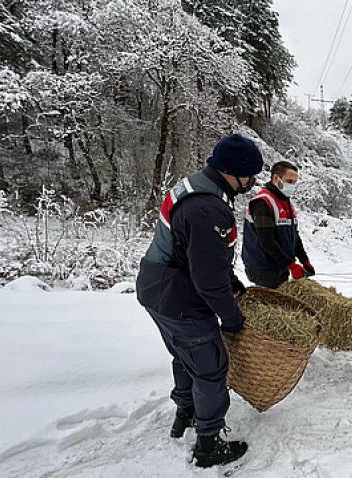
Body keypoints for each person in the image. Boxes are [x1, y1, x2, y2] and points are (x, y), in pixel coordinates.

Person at [136, 133, 262, 468]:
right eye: (249, 176)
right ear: (232, 172)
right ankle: (208, 445)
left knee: (184, 355)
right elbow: (206, 279)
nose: (251, 182)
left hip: (157, 287)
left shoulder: (196, 186)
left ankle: (185, 413)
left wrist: (232, 281)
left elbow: (200, 254)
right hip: (180, 297)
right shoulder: (209, 209)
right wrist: (231, 318)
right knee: (210, 369)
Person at [242, 160, 315, 289]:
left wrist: (304, 260)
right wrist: (291, 265)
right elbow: (267, 241)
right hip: (263, 266)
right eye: (289, 182)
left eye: (294, 183)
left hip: (281, 264)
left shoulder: (285, 203)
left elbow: (294, 236)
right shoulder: (262, 202)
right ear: (276, 178)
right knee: (274, 305)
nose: (292, 186)